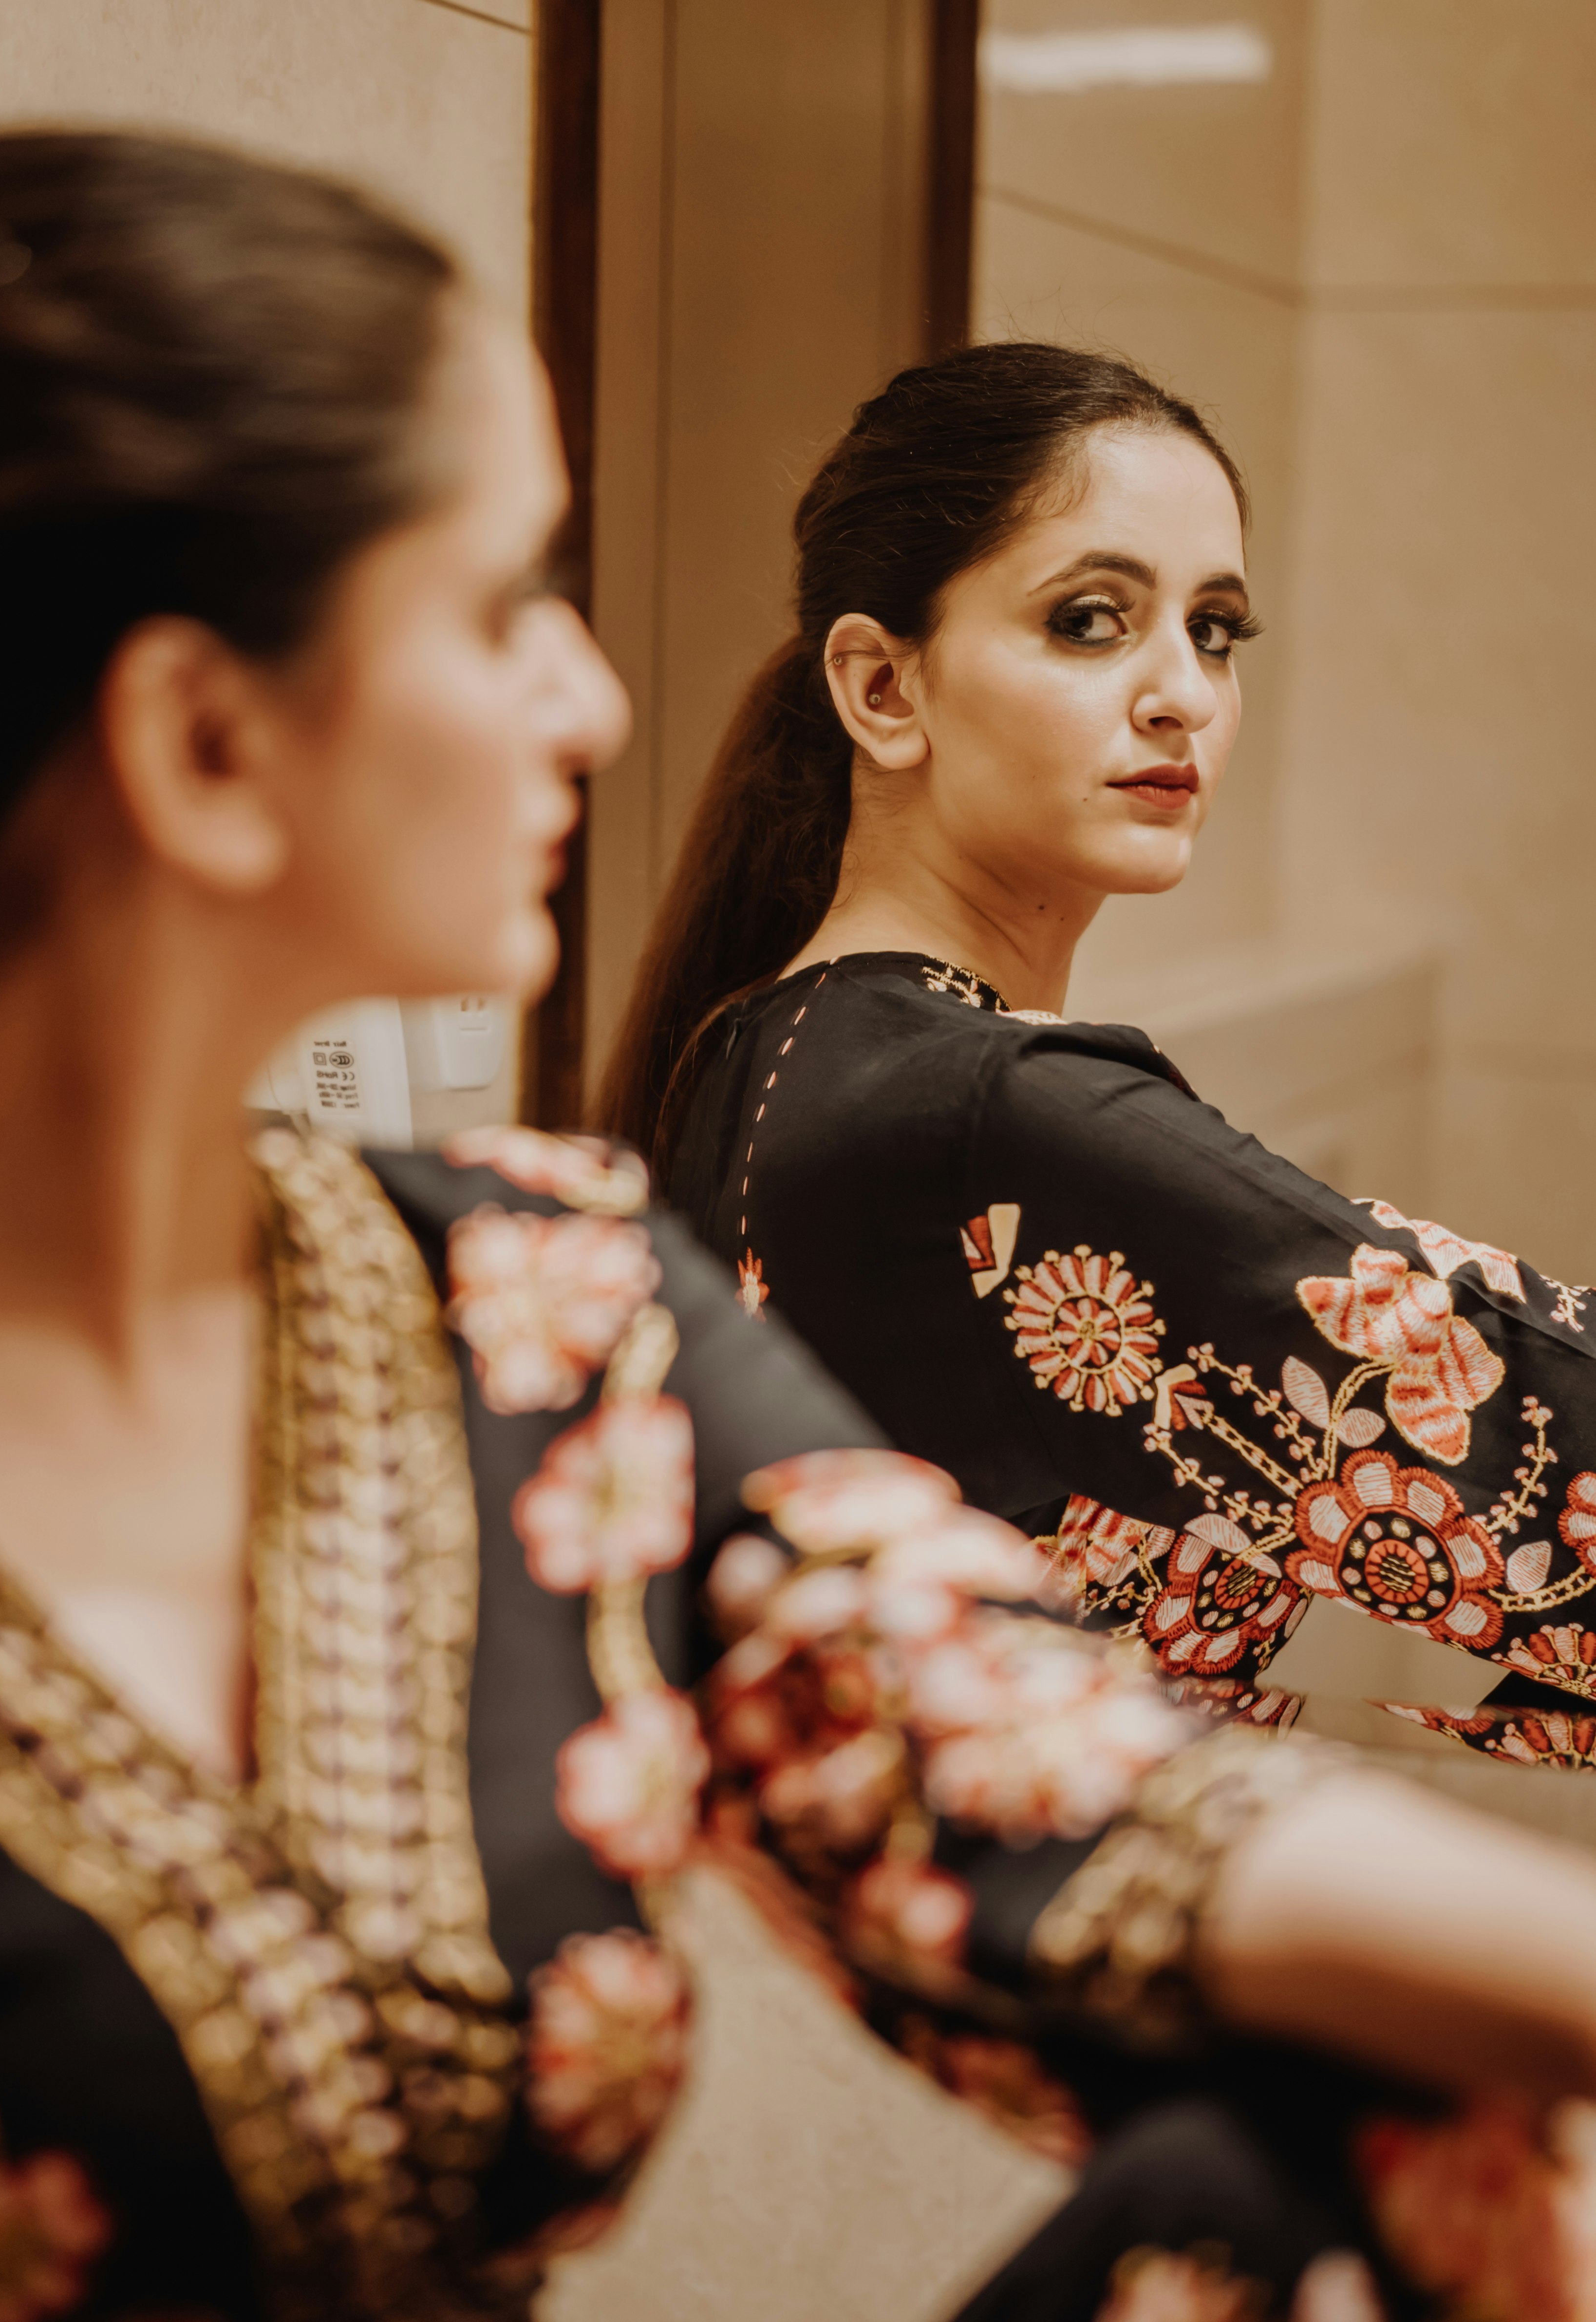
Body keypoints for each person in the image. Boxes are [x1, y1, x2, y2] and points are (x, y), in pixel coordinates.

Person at [0, 137, 1593, 2322]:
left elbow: (1035, 1780)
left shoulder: (540, 1291)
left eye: (1213, 630)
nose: (599, 702)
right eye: (507, 601)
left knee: (1340, 2165)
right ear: (204, 737)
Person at [607, 339, 1596, 1768]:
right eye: (1089, 619)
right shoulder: (993, 1120)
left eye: (1214, 630)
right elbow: (1556, 1460)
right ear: (884, 689)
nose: (1180, 694)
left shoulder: (759, 1042)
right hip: (1060, 1957)